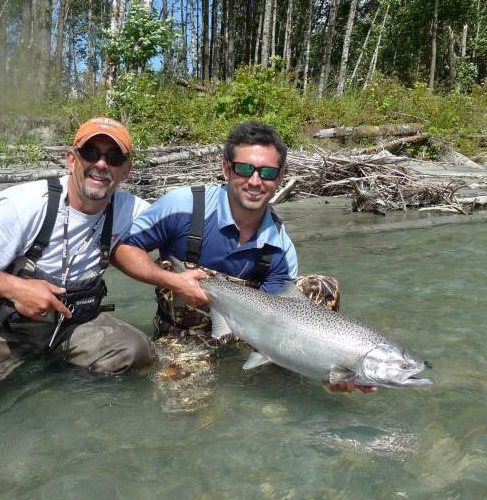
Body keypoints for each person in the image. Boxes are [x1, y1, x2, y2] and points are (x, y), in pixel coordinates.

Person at [0, 117, 154, 418]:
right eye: (91, 153)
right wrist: (17, 288)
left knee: (136, 352)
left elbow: (183, 223)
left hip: (73, 325)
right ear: (71, 160)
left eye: (114, 157)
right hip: (3, 329)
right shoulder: (23, 203)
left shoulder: (132, 210)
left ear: (126, 170)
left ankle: (60, 392)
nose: (101, 164)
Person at [112, 121, 374, 394]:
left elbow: (280, 324)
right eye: (244, 169)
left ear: (281, 177)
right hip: (183, 334)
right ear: (226, 169)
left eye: (268, 172)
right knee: (187, 408)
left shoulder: (280, 249)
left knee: (320, 287)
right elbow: (122, 251)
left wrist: (326, 366)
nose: (255, 181)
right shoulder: (183, 207)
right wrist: (171, 280)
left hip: (247, 329)